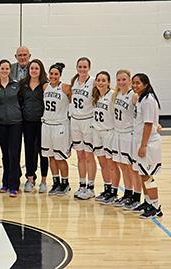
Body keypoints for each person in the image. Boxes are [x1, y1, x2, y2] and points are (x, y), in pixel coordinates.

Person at [130, 73, 163, 219]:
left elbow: (148, 125)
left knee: (148, 176)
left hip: (148, 143)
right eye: (133, 83)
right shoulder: (141, 98)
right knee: (143, 174)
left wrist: (143, 146)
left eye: (138, 83)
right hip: (140, 140)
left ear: (146, 84)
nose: (135, 86)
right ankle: (148, 201)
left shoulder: (148, 100)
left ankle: (155, 206)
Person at [110, 70, 142, 208]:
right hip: (118, 133)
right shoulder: (116, 94)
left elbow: (143, 112)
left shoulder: (133, 96)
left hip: (129, 134)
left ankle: (136, 196)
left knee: (131, 168)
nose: (121, 82)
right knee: (122, 166)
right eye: (119, 80)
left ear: (129, 80)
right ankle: (127, 194)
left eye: (124, 79)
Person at [0, 59, 22, 197]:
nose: (4, 71)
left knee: (14, 154)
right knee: (5, 155)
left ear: (10, 70)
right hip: (1, 123)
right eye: (2, 68)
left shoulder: (16, 85)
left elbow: (22, 101)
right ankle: (5, 183)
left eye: (7, 69)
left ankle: (14, 185)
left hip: (16, 123)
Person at [88, 71, 120, 203]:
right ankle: (107, 188)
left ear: (108, 82)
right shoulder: (95, 96)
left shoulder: (113, 95)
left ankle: (114, 191)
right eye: (98, 80)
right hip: (97, 132)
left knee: (111, 164)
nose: (100, 83)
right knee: (102, 163)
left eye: (103, 80)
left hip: (109, 132)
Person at [41, 63, 72, 196]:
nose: (53, 76)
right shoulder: (45, 86)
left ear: (60, 75)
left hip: (60, 125)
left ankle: (65, 184)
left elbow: (73, 103)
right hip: (47, 124)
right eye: (51, 74)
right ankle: (56, 182)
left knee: (60, 157)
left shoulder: (65, 88)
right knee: (50, 157)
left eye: (56, 74)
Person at [18, 59, 49, 194]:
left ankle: (43, 181)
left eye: (36, 68)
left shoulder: (45, 85)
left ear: (41, 70)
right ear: (28, 70)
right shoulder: (22, 84)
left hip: (42, 123)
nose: (34, 70)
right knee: (29, 151)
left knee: (43, 152)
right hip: (27, 122)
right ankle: (30, 180)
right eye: (32, 68)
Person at [70, 57, 97, 198]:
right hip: (75, 121)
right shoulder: (74, 81)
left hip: (88, 121)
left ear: (89, 68)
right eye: (79, 66)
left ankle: (91, 187)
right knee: (79, 155)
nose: (82, 69)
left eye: (84, 67)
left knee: (89, 155)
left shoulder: (93, 82)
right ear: (76, 67)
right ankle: (82, 185)